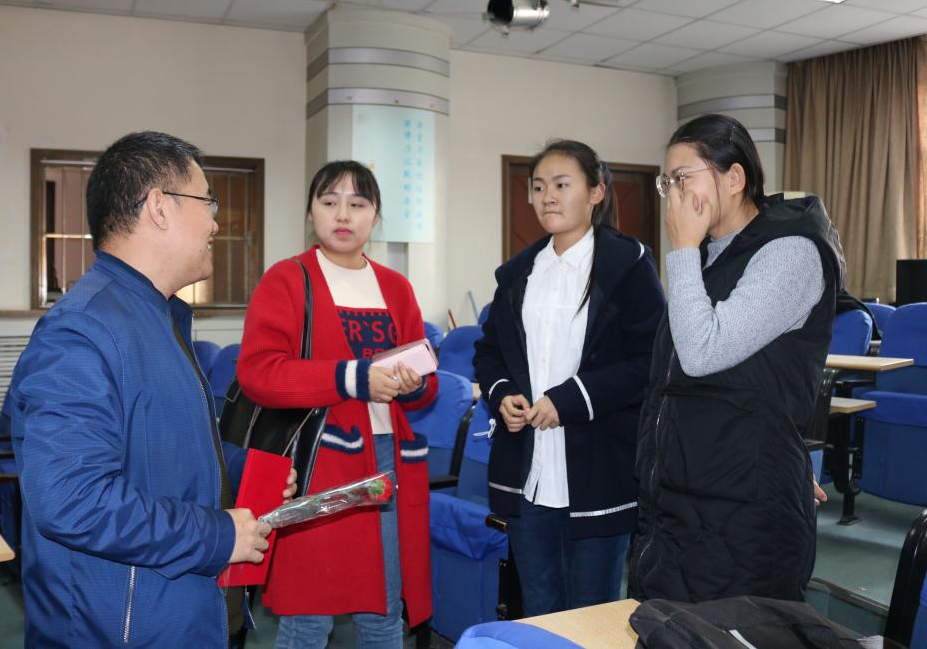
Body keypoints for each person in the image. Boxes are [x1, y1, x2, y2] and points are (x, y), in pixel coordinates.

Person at [10, 131, 296, 647]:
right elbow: (72, 499)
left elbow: (158, 446)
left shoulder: (159, 316)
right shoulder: (82, 331)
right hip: (114, 626)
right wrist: (217, 535)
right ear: (160, 207)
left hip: (175, 613)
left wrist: (243, 470)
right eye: (207, 202)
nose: (215, 222)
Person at [629, 114, 844, 603]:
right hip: (685, 503)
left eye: (682, 178)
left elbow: (702, 353)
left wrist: (683, 249)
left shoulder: (789, 252)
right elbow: (677, 382)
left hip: (741, 517)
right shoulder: (709, 257)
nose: (672, 195)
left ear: (734, 178)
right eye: (667, 182)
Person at [238, 160, 438, 648]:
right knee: (309, 617)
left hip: (386, 459)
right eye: (329, 202)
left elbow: (426, 382)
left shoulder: (395, 287)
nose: (343, 215)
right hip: (319, 464)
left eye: (358, 204)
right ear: (311, 212)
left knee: (384, 611)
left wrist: (411, 384)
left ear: (375, 216)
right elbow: (260, 372)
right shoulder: (288, 279)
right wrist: (352, 378)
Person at [473, 140, 665, 616]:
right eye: (538, 187)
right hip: (529, 468)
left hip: (599, 463)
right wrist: (503, 395)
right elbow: (489, 352)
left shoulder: (627, 264)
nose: (547, 198)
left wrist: (570, 399)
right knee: (540, 608)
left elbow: (650, 360)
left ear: (596, 192)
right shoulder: (518, 272)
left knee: (592, 614)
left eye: (562, 185)